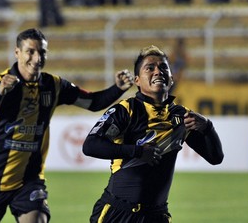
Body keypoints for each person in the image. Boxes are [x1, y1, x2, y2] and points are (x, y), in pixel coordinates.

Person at [0, 28, 134, 222]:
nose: (37, 58)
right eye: (30, 51)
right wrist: (0, 92)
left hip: (30, 181)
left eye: (42, 52)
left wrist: (117, 89)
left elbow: (92, 102)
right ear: (17, 52)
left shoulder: (53, 85)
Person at [82, 45, 224, 223]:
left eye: (163, 67)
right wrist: (137, 151)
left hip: (156, 216)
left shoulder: (181, 116)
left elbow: (216, 157)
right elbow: (90, 145)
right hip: (118, 213)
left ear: (171, 79)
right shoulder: (126, 110)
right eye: (150, 68)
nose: (158, 71)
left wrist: (207, 127)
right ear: (137, 81)